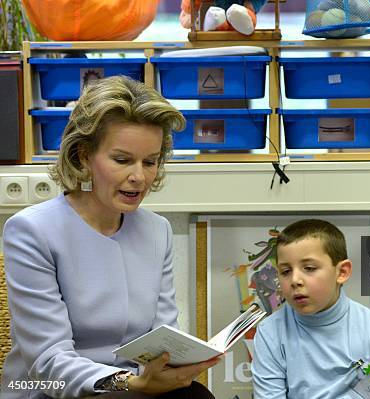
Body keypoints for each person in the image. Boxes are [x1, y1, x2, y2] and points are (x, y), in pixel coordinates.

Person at [1, 76, 219, 398]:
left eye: (150, 162)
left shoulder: (157, 230)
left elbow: (163, 336)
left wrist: (174, 367)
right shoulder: (32, 230)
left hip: (132, 387)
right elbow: (48, 362)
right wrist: (129, 383)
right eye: (122, 160)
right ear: (84, 156)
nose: (139, 177)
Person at [251, 219, 370, 399]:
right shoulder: (271, 333)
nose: (295, 280)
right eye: (285, 271)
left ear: (342, 272)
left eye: (309, 268)